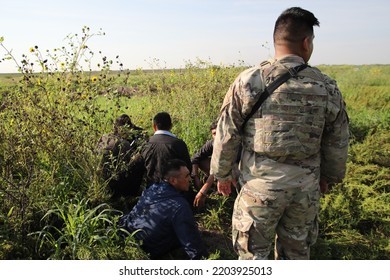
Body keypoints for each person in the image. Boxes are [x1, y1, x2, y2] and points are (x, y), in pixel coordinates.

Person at [210, 7, 349, 260]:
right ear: (306, 42)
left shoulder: (249, 80)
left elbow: (227, 132)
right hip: (305, 189)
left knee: (253, 258)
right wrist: (328, 177)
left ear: (277, 40)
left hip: (259, 187)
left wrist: (222, 174)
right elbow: (337, 139)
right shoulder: (326, 86)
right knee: (296, 254)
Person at [119, 159, 208, 259]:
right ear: (173, 180)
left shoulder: (152, 188)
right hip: (146, 249)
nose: (190, 179)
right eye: (187, 176)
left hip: (126, 233)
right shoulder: (179, 206)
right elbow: (194, 249)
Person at [97, 114, 146, 198]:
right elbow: (128, 167)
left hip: (101, 179)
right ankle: (131, 195)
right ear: (125, 129)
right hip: (115, 183)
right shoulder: (124, 143)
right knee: (139, 160)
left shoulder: (104, 137)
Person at [142, 112, 192, 186]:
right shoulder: (178, 144)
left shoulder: (145, 144)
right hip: (175, 189)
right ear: (171, 126)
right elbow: (188, 169)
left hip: (151, 190)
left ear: (154, 126)